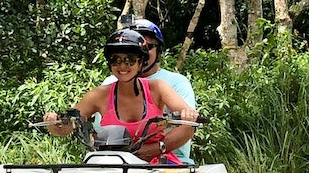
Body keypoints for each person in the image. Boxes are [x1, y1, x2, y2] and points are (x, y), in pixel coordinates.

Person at [44, 29, 198, 164]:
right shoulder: (98, 95)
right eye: (115, 60)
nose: (122, 66)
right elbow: (68, 125)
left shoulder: (158, 87)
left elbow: (189, 123)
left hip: (157, 166)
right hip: (111, 165)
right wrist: (54, 124)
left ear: (140, 62)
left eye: (129, 60)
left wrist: (157, 148)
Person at [101, 16, 198, 164]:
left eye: (146, 47)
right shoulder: (109, 84)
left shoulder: (175, 83)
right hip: (118, 161)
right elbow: (96, 130)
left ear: (158, 51)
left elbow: (189, 125)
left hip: (168, 161)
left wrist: (156, 148)